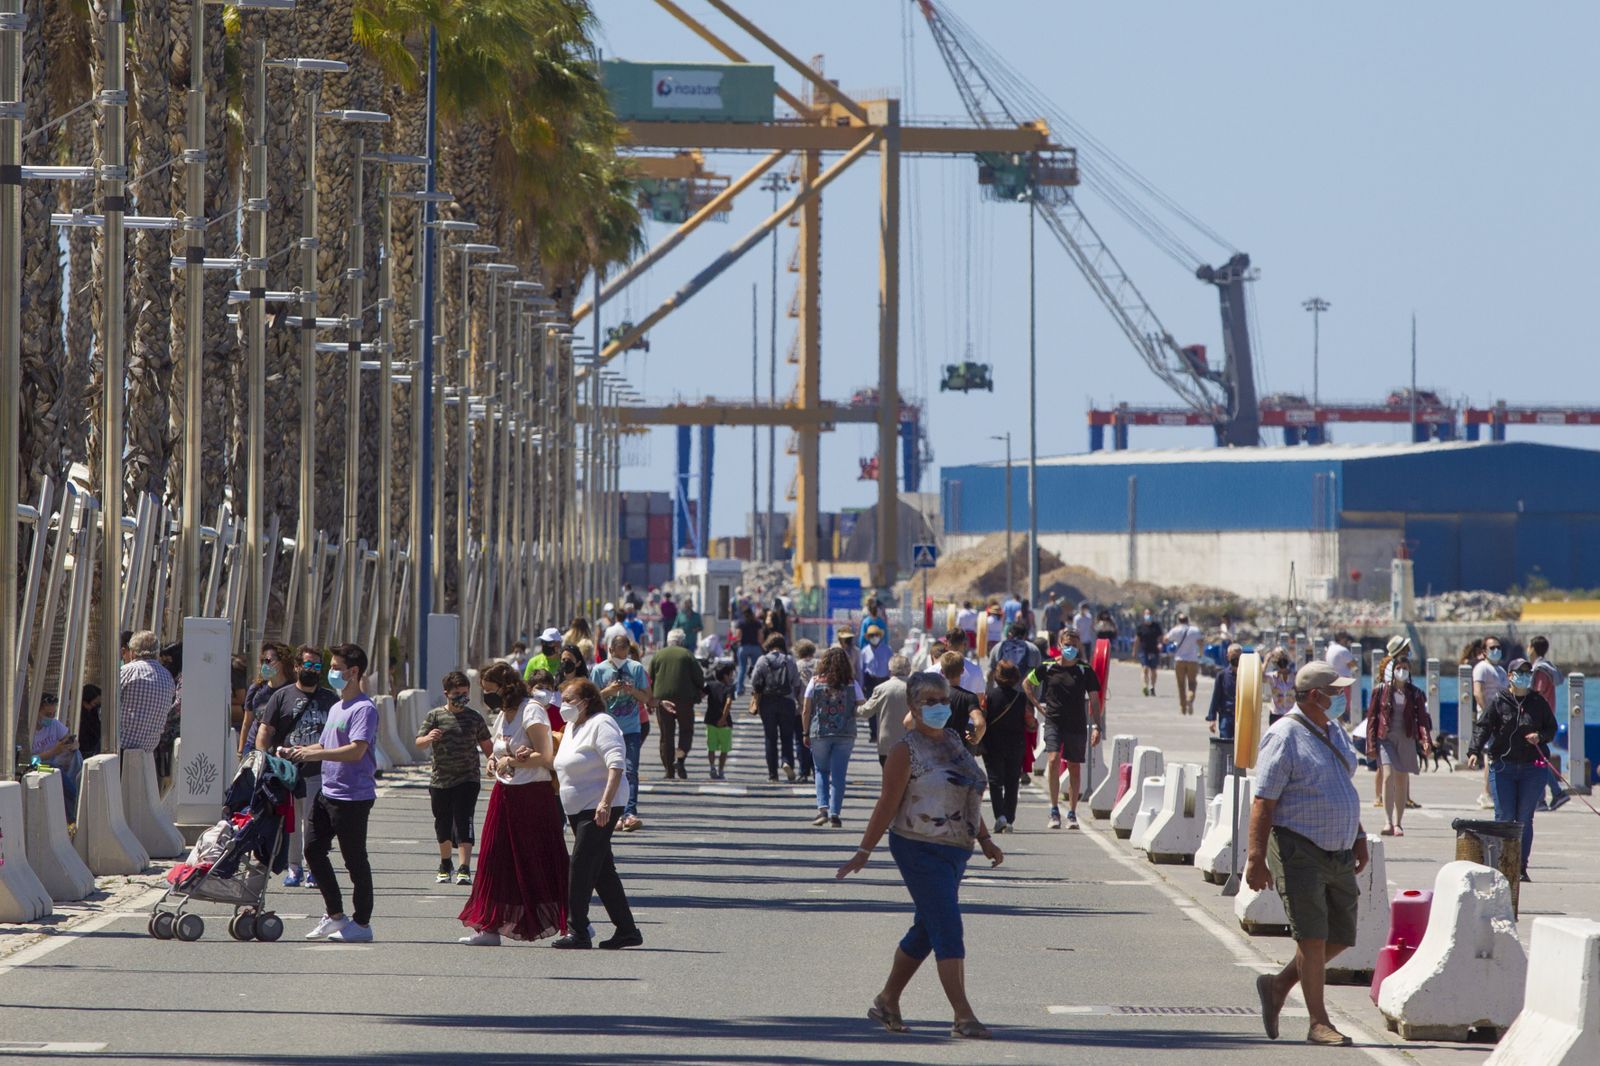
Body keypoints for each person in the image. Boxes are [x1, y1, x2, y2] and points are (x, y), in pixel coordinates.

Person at [836, 670, 1003, 1040]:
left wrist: (986, 839)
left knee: (927, 928)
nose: (940, 707)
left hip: (957, 851)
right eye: (930, 701)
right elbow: (886, 804)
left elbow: (968, 793)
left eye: (944, 700)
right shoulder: (904, 750)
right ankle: (963, 1015)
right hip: (918, 846)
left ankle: (887, 1000)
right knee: (948, 926)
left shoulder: (957, 741)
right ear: (913, 706)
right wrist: (863, 851)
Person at [1247, 661, 1370, 1048]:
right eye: (1336, 693)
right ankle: (1319, 1022)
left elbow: (1340, 787)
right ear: (1316, 696)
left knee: (1342, 935)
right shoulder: (1283, 735)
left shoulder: (1333, 730)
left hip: (1338, 848)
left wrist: (1359, 834)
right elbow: (1263, 801)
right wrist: (1254, 858)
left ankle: (1279, 984)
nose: (1342, 698)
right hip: (1298, 846)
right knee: (1312, 937)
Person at [457, 662, 569, 946]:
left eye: (490, 690)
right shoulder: (503, 715)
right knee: (494, 857)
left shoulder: (530, 710)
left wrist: (510, 760)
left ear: (505, 687)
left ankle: (573, 920)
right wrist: (495, 760)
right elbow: (498, 746)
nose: (488, 697)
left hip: (532, 794)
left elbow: (546, 757)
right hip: (504, 793)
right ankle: (489, 926)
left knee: (538, 858)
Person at [290, 643, 380, 943]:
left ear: (353, 672)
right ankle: (335, 915)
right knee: (313, 850)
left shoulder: (364, 709)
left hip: (353, 797)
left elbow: (356, 751)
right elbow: (327, 744)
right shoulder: (338, 706)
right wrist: (302, 751)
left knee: (355, 860)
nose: (331, 673)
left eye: (336, 667)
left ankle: (362, 924)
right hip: (328, 792)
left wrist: (318, 756)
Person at [552, 678, 641, 950]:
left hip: (599, 806)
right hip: (578, 808)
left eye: (570, 699)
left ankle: (578, 930)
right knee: (602, 871)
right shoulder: (571, 727)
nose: (564, 705)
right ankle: (627, 930)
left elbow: (616, 764)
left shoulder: (601, 723)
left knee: (579, 866)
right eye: (563, 699)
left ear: (586, 701)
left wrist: (605, 802)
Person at [256, 645, 340, 888]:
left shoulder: (330, 699)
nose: (311, 669)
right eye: (307, 664)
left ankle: (315, 866)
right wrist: (262, 757)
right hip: (288, 773)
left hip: (319, 772)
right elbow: (265, 729)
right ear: (296, 667)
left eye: (316, 666)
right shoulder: (282, 697)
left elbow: (337, 734)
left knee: (314, 825)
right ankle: (294, 869)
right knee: (292, 825)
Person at [1468, 658, 1558, 880]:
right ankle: (1502, 865)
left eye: (1528, 673)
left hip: (1532, 768)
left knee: (1524, 818)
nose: (1525, 677)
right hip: (1503, 767)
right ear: (1509, 676)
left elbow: (1551, 727)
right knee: (1505, 816)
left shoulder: (1538, 702)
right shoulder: (1499, 700)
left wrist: (1540, 736)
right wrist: (1473, 750)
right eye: (1520, 673)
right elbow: (1483, 727)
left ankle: (1520, 867)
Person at [417, 670, 492, 885]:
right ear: (447, 693)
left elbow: (487, 746)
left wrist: (495, 764)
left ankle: (464, 867)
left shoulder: (474, 717)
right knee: (442, 822)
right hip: (441, 779)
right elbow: (418, 742)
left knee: (464, 819)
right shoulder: (435, 716)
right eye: (457, 693)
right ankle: (445, 862)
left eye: (465, 692)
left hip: (468, 779)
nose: (461, 697)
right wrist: (429, 737)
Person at [1025, 627, 1103, 830]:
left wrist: (1097, 726)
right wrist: (1037, 706)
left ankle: (1072, 812)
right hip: (1054, 722)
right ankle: (1053, 809)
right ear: (1059, 645)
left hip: (1076, 724)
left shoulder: (1085, 670)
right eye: (1067, 645)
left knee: (1074, 768)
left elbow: (1094, 700)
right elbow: (1027, 683)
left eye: (1074, 646)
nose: (1070, 649)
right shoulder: (1048, 666)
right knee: (1052, 759)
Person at [1365, 639, 1432, 838]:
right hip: (1385, 738)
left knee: (1402, 778)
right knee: (1387, 776)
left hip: (1406, 738)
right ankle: (1387, 820)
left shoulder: (1416, 693)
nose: (1402, 671)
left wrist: (1426, 739)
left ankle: (1398, 822)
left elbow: (1422, 719)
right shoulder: (1380, 691)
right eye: (1399, 667)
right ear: (1392, 670)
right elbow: (1372, 718)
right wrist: (1371, 744)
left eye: (1405, 668)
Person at [590, 633, 651, 832]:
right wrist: (608, 691)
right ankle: (613, 813)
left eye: (625, 653)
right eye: (618, 653)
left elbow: (647, 698)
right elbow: (592, 698)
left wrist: (632, 691)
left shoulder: (636, 669)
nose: (621, 658)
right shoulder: (599, 670)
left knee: (631, 771)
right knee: (608, 772)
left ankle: (629, 813)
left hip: (632, 727)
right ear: (610, 650)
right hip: (607, 729)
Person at [803, 646, 863, 828]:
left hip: (819, 731)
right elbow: (863, 706)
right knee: (839, 774)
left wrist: (805, 732)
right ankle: (835, 814)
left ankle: (823, 810)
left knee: (821, 770)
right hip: (845, 733)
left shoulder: (815, 681)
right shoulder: (853, 683)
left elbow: (806, 709)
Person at [981, 660, 1032, 834]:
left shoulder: (989, 696)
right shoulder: (1021, 697)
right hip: (1016, 744)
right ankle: (1009, 818)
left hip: (993, 743)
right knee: (1012, 781)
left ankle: (1000, 817)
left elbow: (983, 718)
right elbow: (1030, 722)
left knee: (995, 781)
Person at [650, 628, 704, 780]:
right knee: (686, 732)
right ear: (681, 641)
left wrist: (651, 700)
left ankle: (669, 770)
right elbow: (699, 677)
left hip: (662, 701)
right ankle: (680, 759)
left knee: (666, 736)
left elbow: (650, 678)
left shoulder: (658, 655)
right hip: (685, 700)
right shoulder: (687, 655)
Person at [750, 633, 803, 783]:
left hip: (767, 702)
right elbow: (796, 683)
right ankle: (787, 762)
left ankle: (773, 774)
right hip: (787, 702)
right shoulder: (789, 660)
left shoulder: (762, 660)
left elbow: (754, 681)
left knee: (770, 737)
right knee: (787, 737)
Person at [1527, 635, 1569, 811]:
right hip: (1547, 717)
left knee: (1538, 759)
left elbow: (1537, 694)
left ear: (1533, 649)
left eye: (1529, 646)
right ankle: (1548, 795)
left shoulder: (1540, 670)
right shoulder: (1547, 668)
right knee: (1539, 759)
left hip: (1539, 720)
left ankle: (1550, 795)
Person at [117, 629, 175, 757]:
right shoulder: (168, 677)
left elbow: (106, 712)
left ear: (132, 652)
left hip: (121, 750)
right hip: (149, 752)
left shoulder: (126, 672)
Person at [31, 694, 83, 820]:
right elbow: (30, 760)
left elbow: (70, 739)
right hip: (38, 766)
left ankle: (76, 786)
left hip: (56, 763)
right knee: (55, 769)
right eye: (48, 714)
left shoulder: (54, 724)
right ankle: (75, 795)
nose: (51, 718)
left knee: (75, 754)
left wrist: (73, 745)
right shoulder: (29, 731)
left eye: (53, 714)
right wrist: (53, 752)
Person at [1472, 635, 1508, 809]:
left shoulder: (1501, 671)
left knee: (1496, 754)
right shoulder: (1481, 668)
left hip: (1503, 719)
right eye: (1492, 648)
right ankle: (1486, 793)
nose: (1496, 651)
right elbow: (1478, 692)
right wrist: (1487, 714)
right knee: (1490, 755)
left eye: (1498, 647)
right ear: (1484, 651)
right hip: (1489, 718)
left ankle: (1492, 791)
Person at [242, 643, 294, 760]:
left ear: (282, 662)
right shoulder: (256, 689)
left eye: (268, 660)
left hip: (278, 749)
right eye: (262, 661)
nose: (264, 665)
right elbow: (247, 722)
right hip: (252, 747)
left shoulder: (291, 690)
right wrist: (241, 751)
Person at [858, 654, 912, 766]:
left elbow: (866, 711)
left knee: (889, 779)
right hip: (911, 743)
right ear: (909, 669)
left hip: (887, 743)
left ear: (890, 669)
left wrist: (854, 708)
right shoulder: (917, 688)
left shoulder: (881, 689)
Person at [938, 652, 987, 749]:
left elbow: (909, 721)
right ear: (962, 671)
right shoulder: (969, 697)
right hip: (957, 750)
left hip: (936, 748)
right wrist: (977, 737)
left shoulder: (934, 694)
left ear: (942, 671)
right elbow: (980, 723)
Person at [1164, 613, 1203, 716]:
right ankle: (1190, 699)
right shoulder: (1194, 630)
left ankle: (1183, 707)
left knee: (1181, 685)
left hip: (1179, 660)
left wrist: (1173, 645)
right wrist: (1200, 653)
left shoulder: (1175, 630)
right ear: (1187, 620)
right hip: (1192, 660)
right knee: (1192, 683)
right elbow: (1201, 642)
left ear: (1179, 620)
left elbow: (1165, 639)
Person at [702, 662, 736, 779]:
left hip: (710, 721)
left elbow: (701, 694)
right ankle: (721, 771)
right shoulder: (729, 688)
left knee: (711, 747)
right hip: (725, 723)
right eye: (731, 675)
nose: (731, 677)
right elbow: (728, 703)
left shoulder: (710, 685)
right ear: (726, 676)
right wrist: (723, 718)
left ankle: (712, 767)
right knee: (724, 749)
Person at [1207, 644, 1244, 740]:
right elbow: (1216, 697)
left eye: (1238, 656)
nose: (1236, 659)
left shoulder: (1247, 676)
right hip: (1226, 716)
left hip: (1243, 717)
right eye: (1233, 656)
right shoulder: (1222, 675)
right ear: (1228, 657)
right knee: (1226, 744)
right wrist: (1212, 718)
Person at [733, 607, 764, 697]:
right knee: (756, 669)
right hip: (755, 647)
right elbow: (760, 637)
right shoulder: (757, 623)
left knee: (742, 668)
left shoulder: (741, 623)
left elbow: (738, 636)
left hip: (744, 647)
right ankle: (756, 688)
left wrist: (737, 642)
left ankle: (739, 689)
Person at [944, 629, 985, 695]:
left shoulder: (932, 671)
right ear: (965, 645)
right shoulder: (976, 670)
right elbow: (980, 698)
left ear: (945, 644)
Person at [1135, 609, 1163, 697]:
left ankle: (1152, 687)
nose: (1148, 615)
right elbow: (1137, 639)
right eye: (1146, 614)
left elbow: (1160, 637)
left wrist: (1160, 644)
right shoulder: (1140, 627)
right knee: (1145, 668)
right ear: (1144, 615)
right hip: (1144, 650)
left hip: (1154, 650)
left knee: (1153, 670)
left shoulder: (1156, 626)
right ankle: (1145, 686)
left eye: (1150, 614)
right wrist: (1134, 650)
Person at [1266, 648, 1297, 725]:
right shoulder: (1272, 677)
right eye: (1279, 659)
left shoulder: (1295, 676)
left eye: (1284, 658)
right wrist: (1266, 661)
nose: (1282, 661)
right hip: (1276, 714)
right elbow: (1259, 676)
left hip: (1291, 714)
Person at [77, 684, 103, 760]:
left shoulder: (93, 713)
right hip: (84, 751)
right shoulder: (80, 715)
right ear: (85, 702)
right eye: (95, 704)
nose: (96, 707)